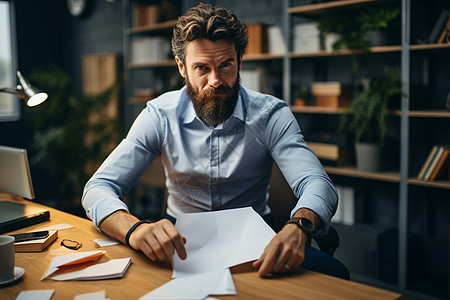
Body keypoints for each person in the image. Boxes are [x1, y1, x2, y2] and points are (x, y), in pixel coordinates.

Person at [82, 3, 349, 280]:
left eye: (226, 65)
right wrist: (134, 229)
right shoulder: (160, 115)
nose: (215, 80)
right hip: (181, 240)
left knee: (335, 275)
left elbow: (317, 183)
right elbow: (99, 187)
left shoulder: (271, 115)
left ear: (240, 61)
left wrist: (299, 226)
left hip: (256, 241)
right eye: (201, 68)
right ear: (182, 67)